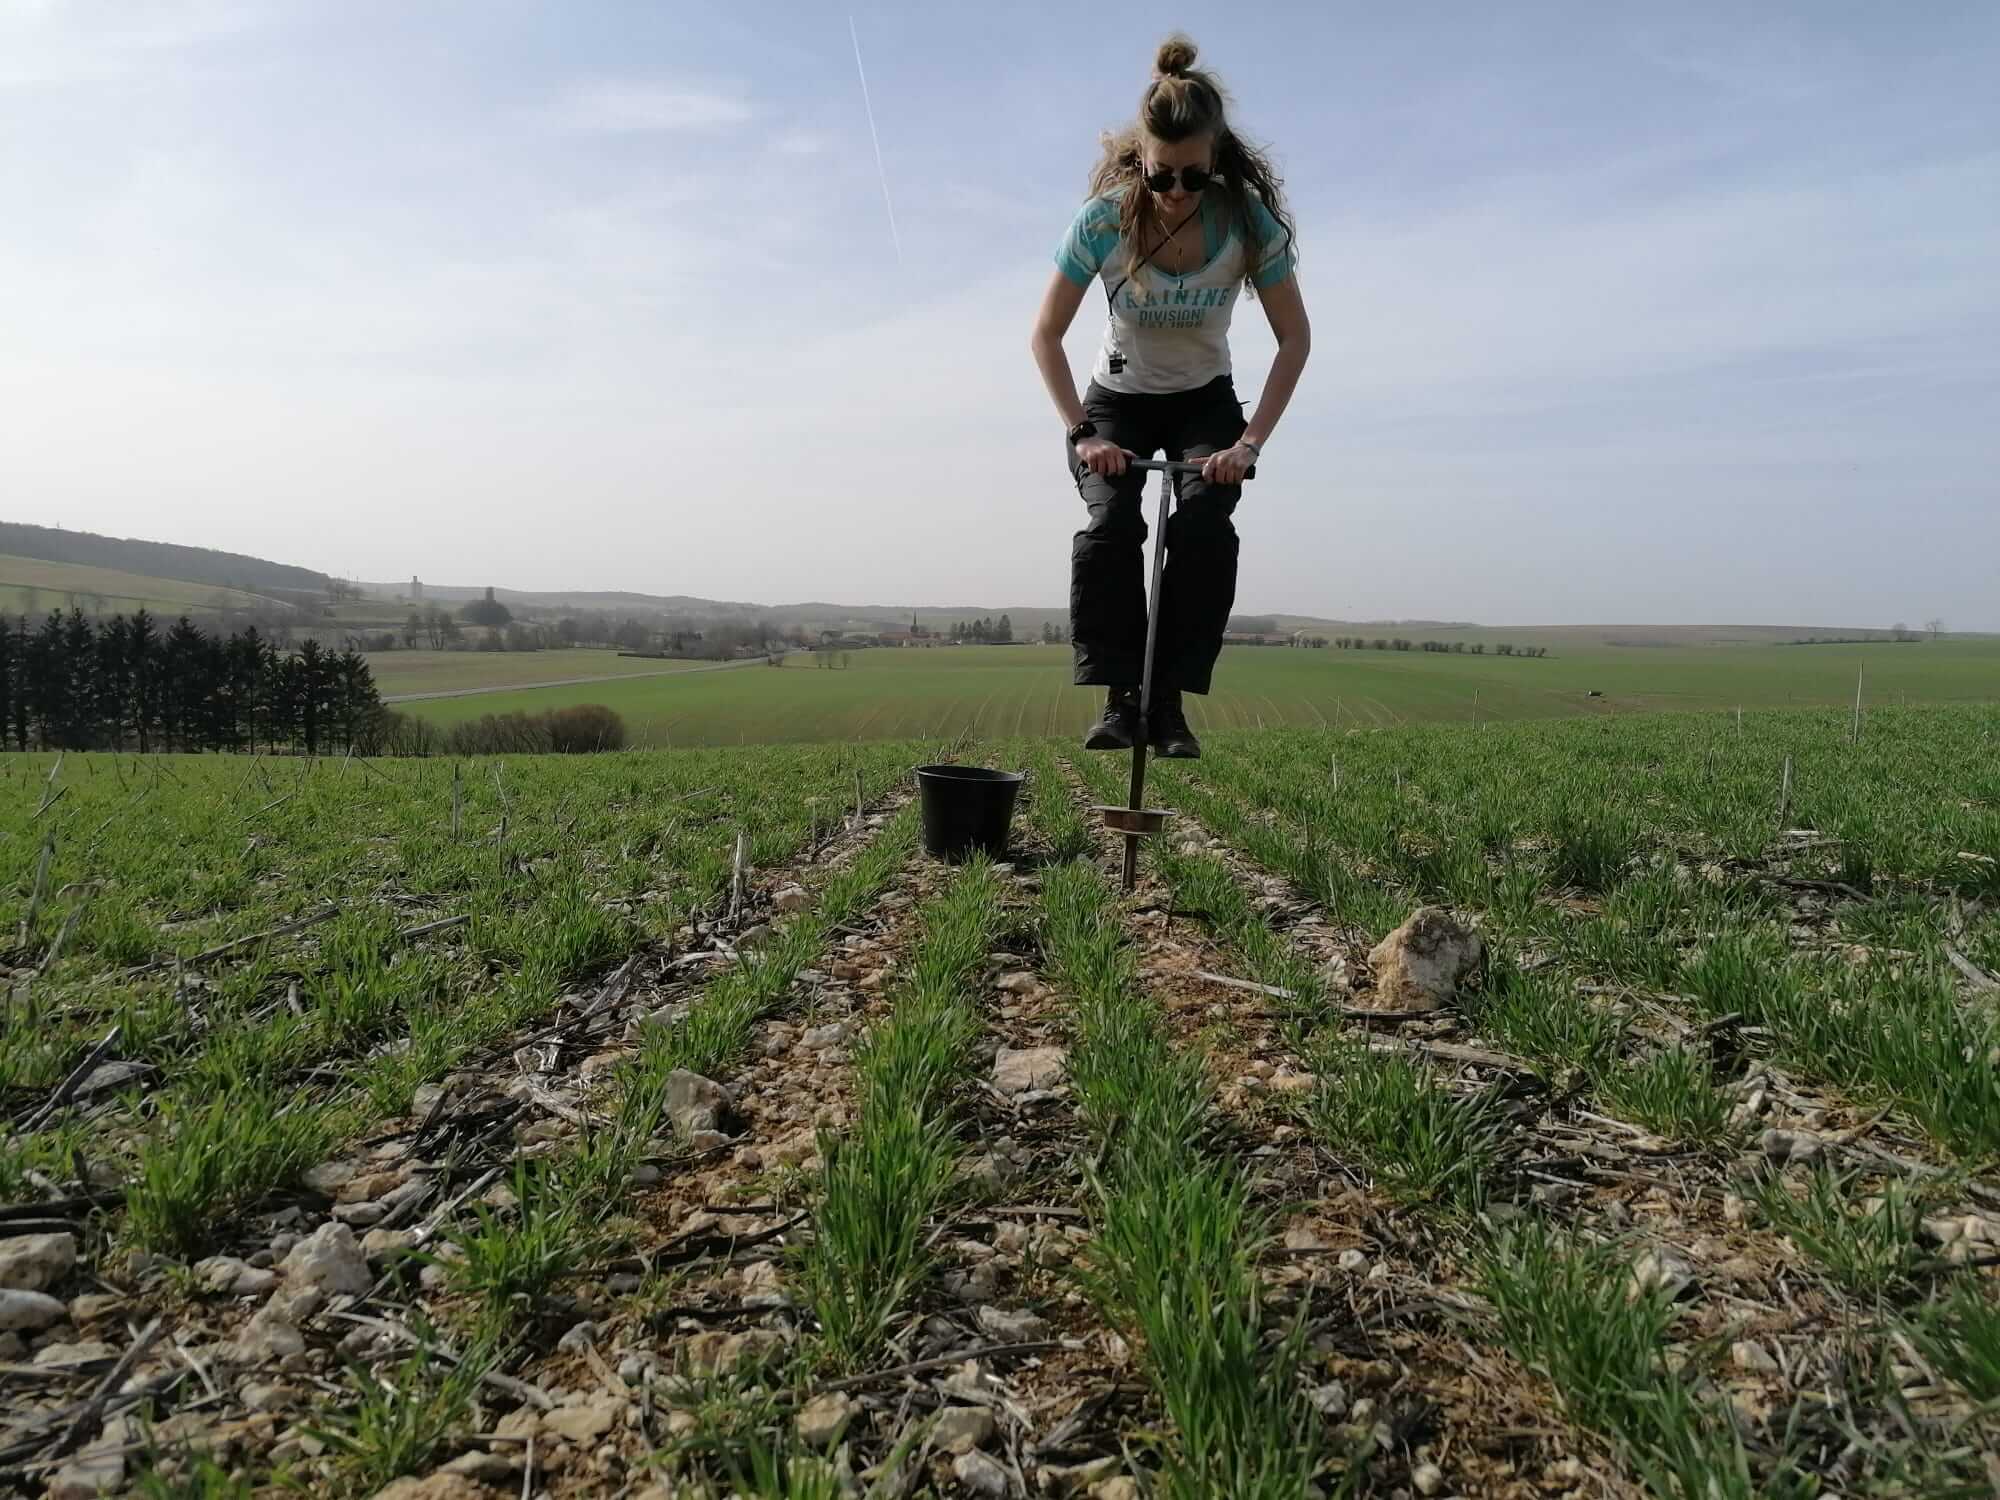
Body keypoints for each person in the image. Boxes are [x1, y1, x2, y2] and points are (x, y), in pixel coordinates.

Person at [1030, 33, 1310, 759]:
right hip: (1116, 400)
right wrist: (1083, 433)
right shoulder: (1104, 221)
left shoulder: (1247, 224)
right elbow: (1045, 337)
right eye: (1161, 177)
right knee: (1112, 528)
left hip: (1204, 403)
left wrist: (1247, 447)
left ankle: (1170, 704)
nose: (1177, 193)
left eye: (1192, 176)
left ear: (1214, 158)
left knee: (1204, 530)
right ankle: (1121, 700)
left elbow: (1295, 342)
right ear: (1140, 161)